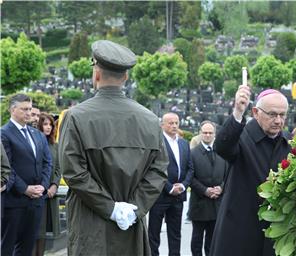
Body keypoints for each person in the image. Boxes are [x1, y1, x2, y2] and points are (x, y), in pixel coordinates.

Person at [58, 40, 168, 256]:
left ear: (96, 74)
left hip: (89, 227)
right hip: (131, 227)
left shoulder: (75, 117)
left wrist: (111, 208)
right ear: (126, 77)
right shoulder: (150, 120)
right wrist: (132, 208)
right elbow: (159, 171)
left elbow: (73, 172)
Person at [210, 87, 291, 256]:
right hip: (240, 228)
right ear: (255, 112)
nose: (278, 121)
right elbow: (222, 147)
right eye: (272, 114)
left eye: (282, 115)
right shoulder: (241, 136)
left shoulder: (288, 143)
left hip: (274, 229)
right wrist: (238, 112)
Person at [1, 94, 52, 256]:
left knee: (27, 247)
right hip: (14, 201)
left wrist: (42, 187)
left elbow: (47, 162)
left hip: (36, 201)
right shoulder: (4, 133)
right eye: (25, 109)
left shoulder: (37, 134)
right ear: (13, 109)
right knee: (7, 247)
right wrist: (25, 188)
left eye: (30, 109)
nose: (29, 113)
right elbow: (6, 167)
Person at [148, 112, 194, 256]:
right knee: (154, 234)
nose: (174, 126)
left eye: (176, 123)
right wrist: (169, 187)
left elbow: (190, 168)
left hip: (178, 196)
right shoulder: (156, 143)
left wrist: (183, 185)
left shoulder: (183, 143)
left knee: (175, 234)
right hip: (160, 195)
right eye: (170, 123)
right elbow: (152, 168)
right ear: (162, 125)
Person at [188, 121, 229, 256]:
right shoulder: (193, 153)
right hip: (199, 203)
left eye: (210, 133)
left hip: (217, 204)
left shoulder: (222, 152)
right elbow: (190, 177)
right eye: (204, 132)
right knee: (197, 239)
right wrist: (205, 190)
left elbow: (228, 175)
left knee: (213, 240)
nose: (207, 135)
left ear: (214, 134)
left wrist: (221, 188)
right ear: (200, 133)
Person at [33, 113, 61, 256]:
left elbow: (58, 168)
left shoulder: (55, 146)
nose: (48, 127)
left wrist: (54, 185)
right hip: (35, 193)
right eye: (45, 124)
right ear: (39, 126)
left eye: (50, 124)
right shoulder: (33, 142)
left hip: (50, 195)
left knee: (43, 233)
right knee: (33, 232)